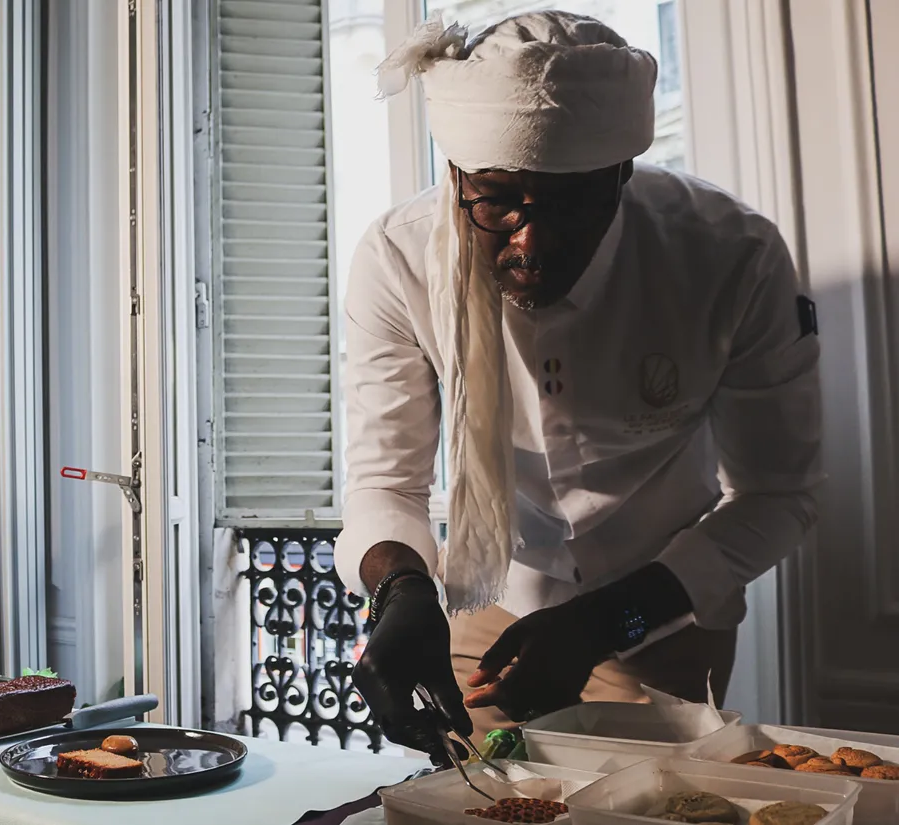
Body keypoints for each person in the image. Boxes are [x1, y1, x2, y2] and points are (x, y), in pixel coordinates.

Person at [333, 10, 822, 763]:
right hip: (487, 599)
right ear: (457, 173)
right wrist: (401, 592)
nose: (530, 241)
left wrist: (607, 622)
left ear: (622, 175)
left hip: (659, 616)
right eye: (497, 199)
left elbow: (778, 493)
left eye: (568, 205)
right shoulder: (400, 260)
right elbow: (383, 481)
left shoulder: (731, 258)